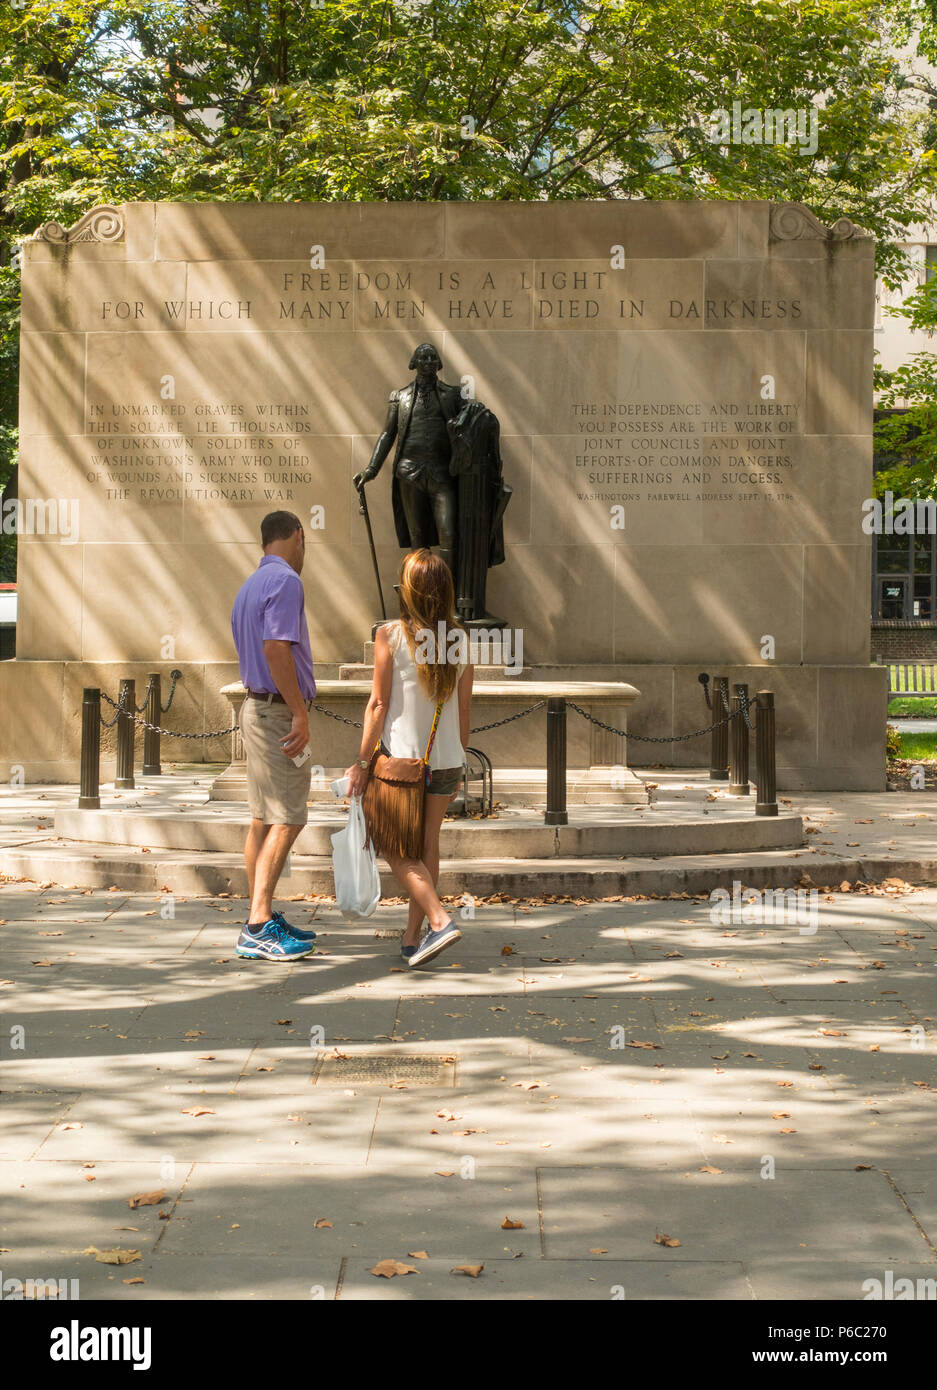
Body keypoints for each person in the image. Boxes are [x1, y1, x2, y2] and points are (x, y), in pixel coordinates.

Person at [345, 549, 473, 967]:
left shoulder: (390, 635)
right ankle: (412, 937)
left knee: (394, 846)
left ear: (410, 590)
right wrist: (455, 761)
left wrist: (363, 762)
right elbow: (465, 716)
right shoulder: (462, 639)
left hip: (403, 763)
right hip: (447, 760)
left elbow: (378, 705)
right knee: (426, 845)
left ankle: (439, 921)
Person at [230, 511, 319, 962]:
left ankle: (260, 914)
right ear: (298, 537)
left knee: (263, 818)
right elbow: (275, 648)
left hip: (256, 709)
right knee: (289, 816)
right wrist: (300, 713)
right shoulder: (286, 582)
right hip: (278, 713)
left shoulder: (249, 586)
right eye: (306, 542)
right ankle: (258, 924)